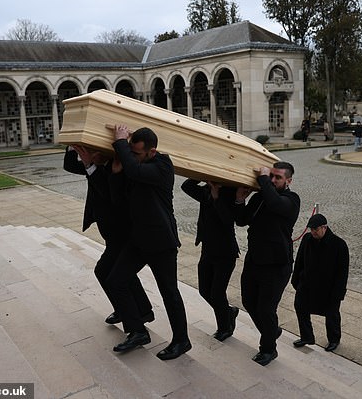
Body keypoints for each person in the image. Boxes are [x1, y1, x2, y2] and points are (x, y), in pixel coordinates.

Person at [106, 125, 191, 360]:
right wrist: (115, 173)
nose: (131, 156)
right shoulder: (134, 166)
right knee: (115, 280)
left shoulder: (162, 165)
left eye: (137, 153)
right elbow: (118, 200)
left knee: (169, 293)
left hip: (161, 241)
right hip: (138, 240)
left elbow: (133, 171)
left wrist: (121, 142)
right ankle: (138, 331)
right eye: (131, 152)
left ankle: (182, 341)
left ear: (151, 152)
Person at [63, 144, 154, 330]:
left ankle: (134, 319)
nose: (88, 156)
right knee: (120, 274)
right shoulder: (97, 165)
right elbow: (70, 165)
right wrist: (72, 145)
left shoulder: (118, 168)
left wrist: (90, 165)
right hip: (112, 233)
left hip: (122, 233)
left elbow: (108, 193)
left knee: (107, 272)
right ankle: (141, 310)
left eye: (93, 152)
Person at [235, 162, 300, 366]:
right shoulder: (262, 196)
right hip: (255, 259)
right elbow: (242, 220)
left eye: (277, 178)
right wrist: (239, 200)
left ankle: (268, 349)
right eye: (270, 176)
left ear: (288, 181)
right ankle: (272, 331)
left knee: (265, 309)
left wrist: (263, 179)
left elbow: (275, 204)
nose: (272, 180)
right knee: (248, 301)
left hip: (277, 265)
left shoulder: (291, 199)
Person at [181, 179, 239, 341]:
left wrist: (216, 196)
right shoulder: (205, 191)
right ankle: (229, 312)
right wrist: (202, 175)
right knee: (204, 290)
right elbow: (186, 186)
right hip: (207, 249)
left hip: (225, 252)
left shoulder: (231, 191)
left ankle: (225, 328)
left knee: (217, 293)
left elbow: (228, 220)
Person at [291, 214, 349, 353]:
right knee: (300, 307)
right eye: (311, 229)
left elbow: (342, 273)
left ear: (324, 227)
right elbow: (300, 260)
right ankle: (307, 336)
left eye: (315, 229)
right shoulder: (307, 239)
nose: (313, 232)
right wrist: (296, 280)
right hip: (307, 284)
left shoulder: (339, 245)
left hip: (328, 288)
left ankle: (334, 339)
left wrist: (338, 293)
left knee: (331, 314)